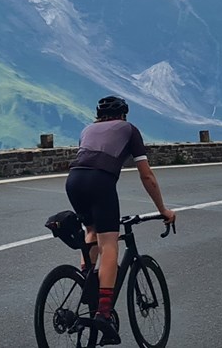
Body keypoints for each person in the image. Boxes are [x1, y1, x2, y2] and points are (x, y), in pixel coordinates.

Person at [66, 95, 176, 344]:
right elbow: (147, 176)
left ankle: (88, 286)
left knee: (91, 232)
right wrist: (163, 209)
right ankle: (103, 313)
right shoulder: (129, 130)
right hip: (100, 182)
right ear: (124, 114)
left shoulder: (87, 129)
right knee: (110, 242)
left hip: (73, 181)